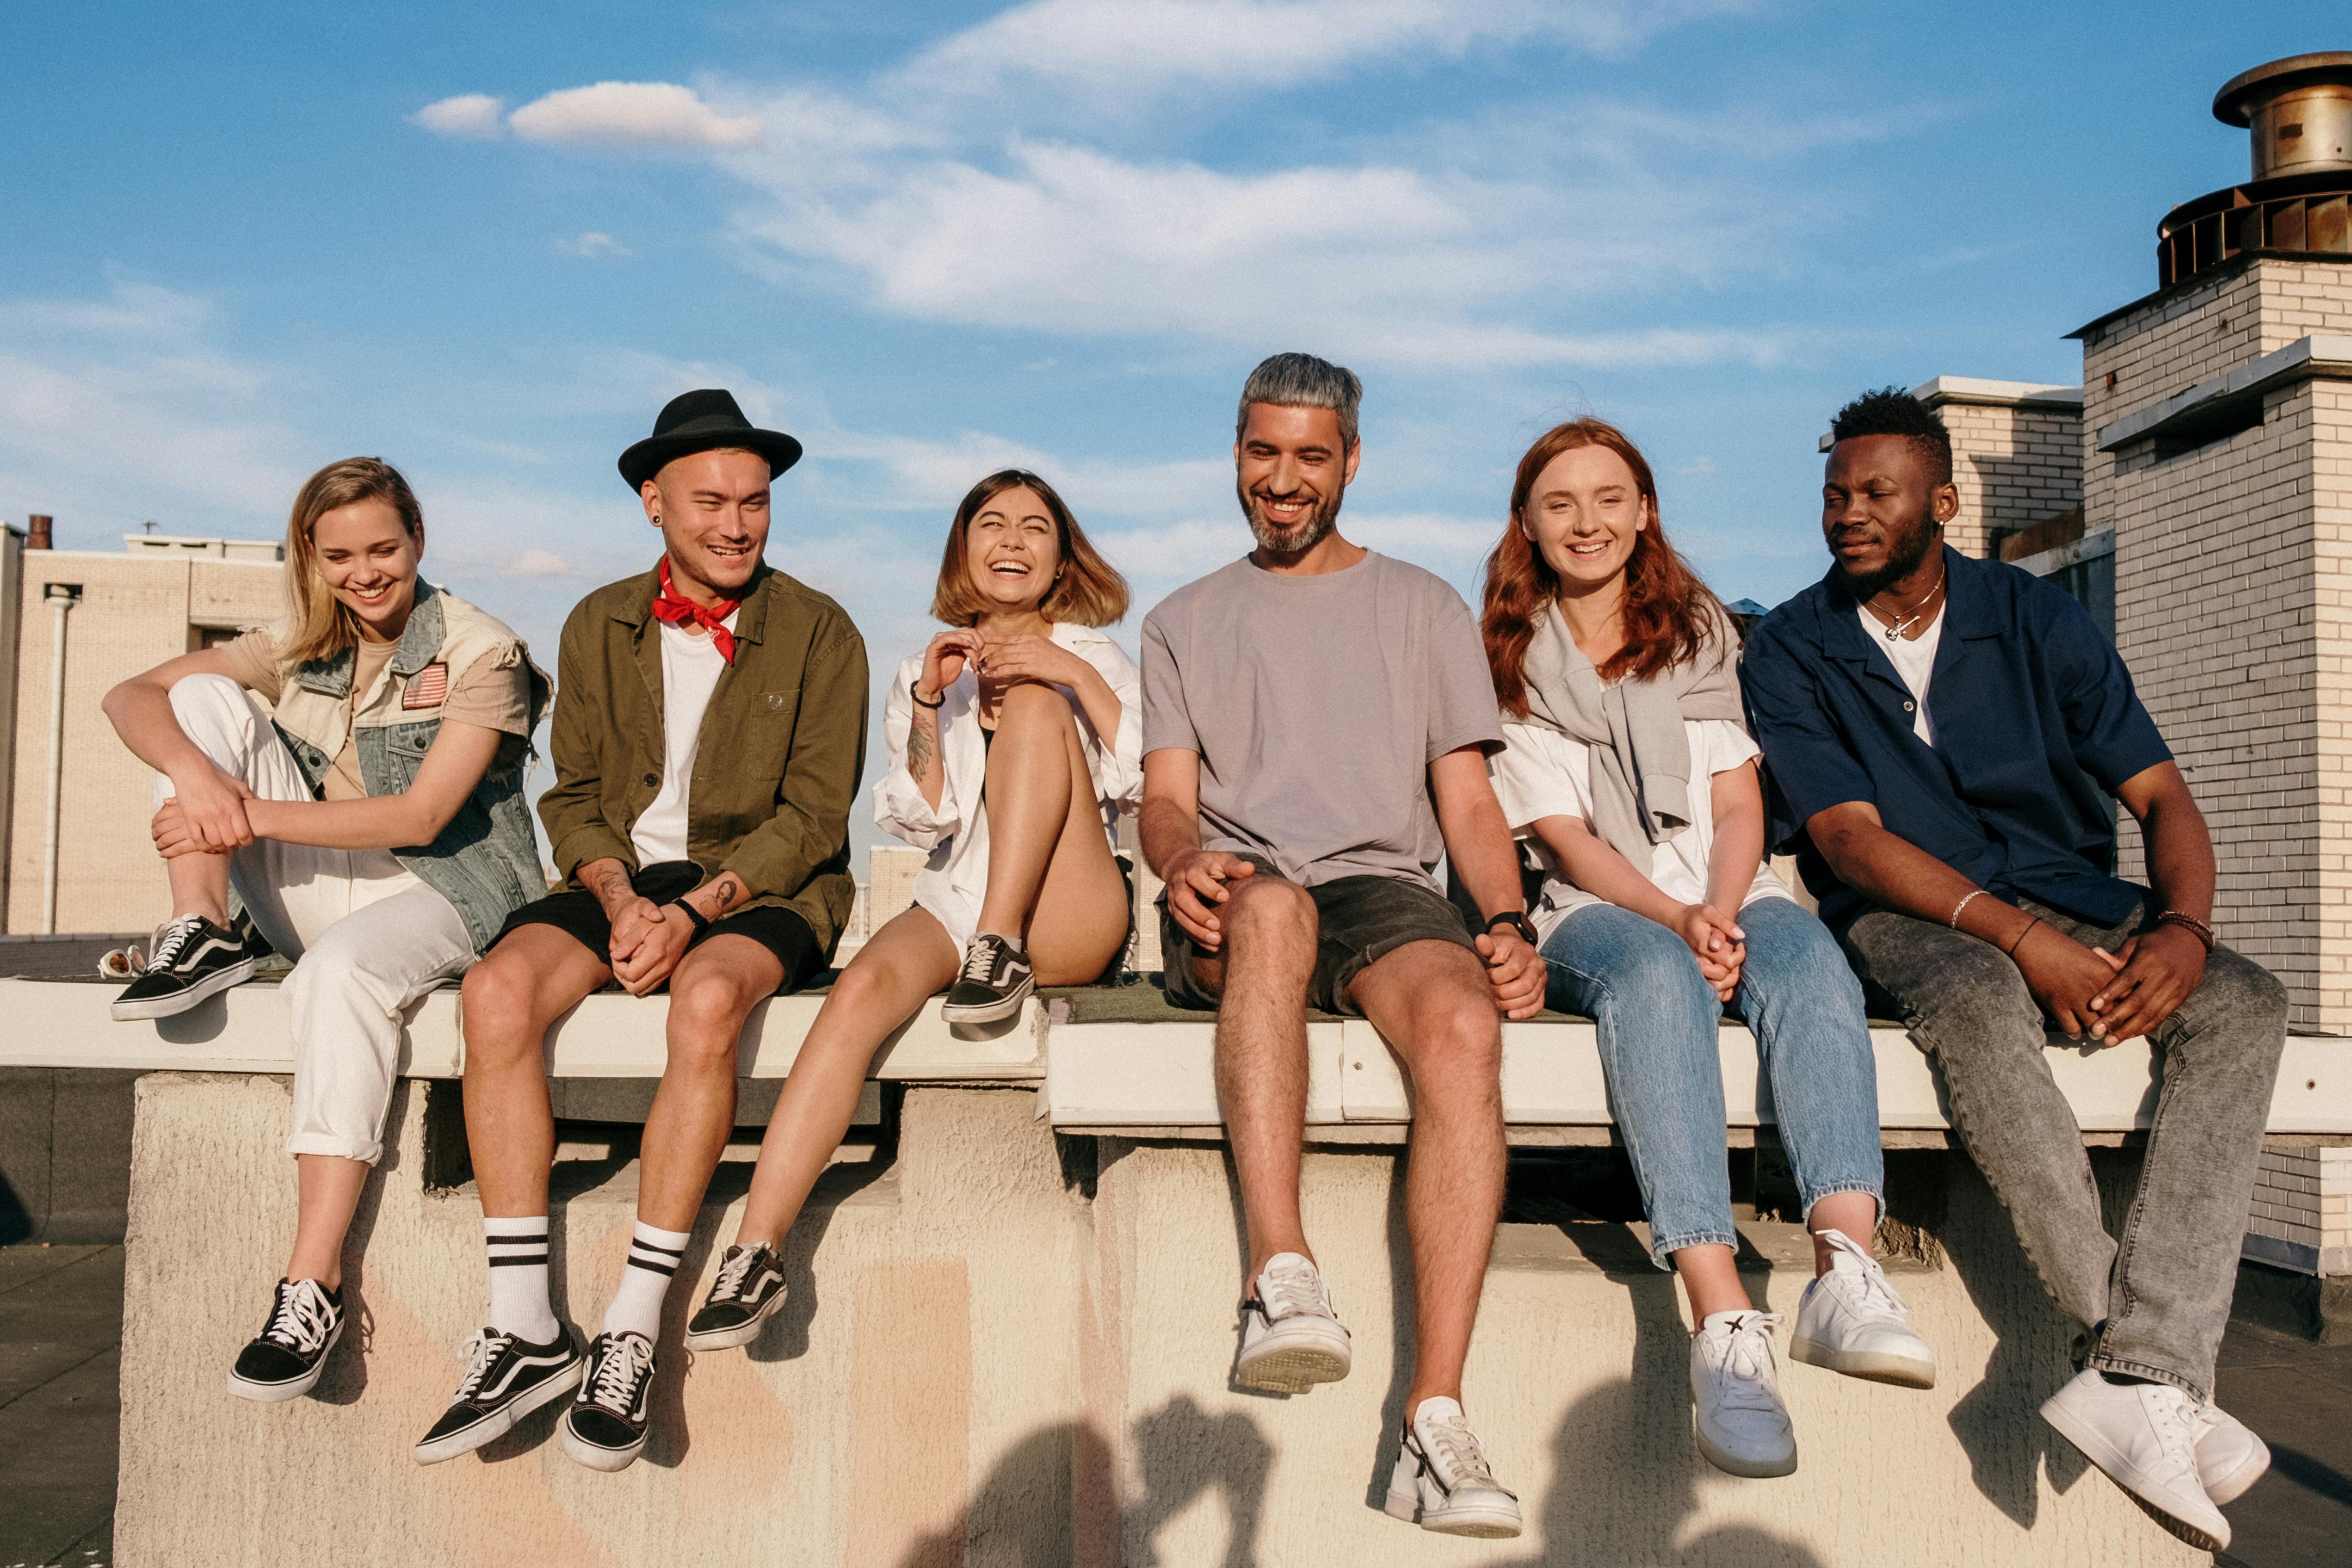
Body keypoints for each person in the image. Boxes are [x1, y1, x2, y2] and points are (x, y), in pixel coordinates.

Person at [1743, 388, 2285, 1552]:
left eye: (1875, 493)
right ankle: (2145, 1371)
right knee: (1981, 997)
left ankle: (2142, 1376)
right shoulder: (1790, 644)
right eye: (1833, 494)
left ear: (1940, 501)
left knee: (2243, 999)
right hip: (1905, 912)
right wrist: (2022, 939)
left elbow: (2160, 796)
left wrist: (2179, 931)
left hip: (2073, 890)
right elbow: (1845, 840)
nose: (1847, 513)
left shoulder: (2035, 621)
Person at [413, 389, 868, 1472]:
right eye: (710, 501)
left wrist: (695, 910)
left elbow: (814, 816)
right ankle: (524, 1324)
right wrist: (621, 902)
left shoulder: (821, 630)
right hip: (628, 877)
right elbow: (570, 798)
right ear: (652, 503)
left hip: (765, 885)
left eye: (755, 502)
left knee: (707, 1001)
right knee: (495, 994)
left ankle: (632, 1322)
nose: (736, 524)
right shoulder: (595, 620)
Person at [1477, 418, 1935, 1481]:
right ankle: (1721, 1323)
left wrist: (1721, 912)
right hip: (1595, 903)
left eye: (1608, 498)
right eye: (1560, 504)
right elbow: (1564, 841)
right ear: (1529, 527)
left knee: (1810, 961)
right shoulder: (1508, 657)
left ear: (1643, 510)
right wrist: (1676, 925)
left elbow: (1737, 806)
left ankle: (1843, 1266)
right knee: (1650, 982)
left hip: (1721, 885)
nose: (1586, 522)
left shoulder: (1696, 632)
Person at [1140, 352, 1541, 1540]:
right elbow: (1168, 800)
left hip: (1377, 884)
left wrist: (1506, 919)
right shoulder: (1180, 620)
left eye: (1309, 457)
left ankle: (1434, 1419)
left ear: (1349, 463)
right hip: (1240, 889)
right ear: (1235, 454)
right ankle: (1279, 1280)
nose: (1282, 478)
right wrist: (1176, 865)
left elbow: (1465, 803)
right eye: (1262, 452)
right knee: (1268, 908)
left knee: (1465, 1022)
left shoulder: (1420, 607)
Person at [100, 457, 548, 1406]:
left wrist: (242, 817)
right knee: (194, 704)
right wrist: (205, 782)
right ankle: (200, 928)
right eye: (339, 555)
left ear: (418, 539)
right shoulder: (304, 642)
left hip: (445, 890)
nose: (365, 573)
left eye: (383, 548)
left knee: (337, 975)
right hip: (323, 876)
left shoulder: (481, 651)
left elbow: (422, 820)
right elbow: (126, 698)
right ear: (312, 556)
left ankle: (312, 1283)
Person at [682, 469, 1139, 1352]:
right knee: (858, 995)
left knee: (1040, 705)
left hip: (1067, 907)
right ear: (963, 548)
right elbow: (921, 815)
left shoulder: (1096, 655)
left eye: (1034, 527)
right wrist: (932, 700)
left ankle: (999, 948)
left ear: (1060, 556)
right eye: (992, 524)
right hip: (957, 897)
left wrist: (1066, 670)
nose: (1011, 541)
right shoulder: (923, 671)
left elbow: (1147, 778)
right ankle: (756, 1249)